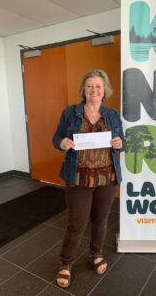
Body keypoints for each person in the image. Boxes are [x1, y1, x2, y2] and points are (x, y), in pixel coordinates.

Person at [52, 69, 125, 288]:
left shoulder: (112, 115)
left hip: (107, 177)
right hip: (79, 176)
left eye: (98, 86)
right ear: (84, 90)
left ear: (105, 91)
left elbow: (123, 141)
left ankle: (96, 254)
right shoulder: (70, 112)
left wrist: (121, 144)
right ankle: (65, 263)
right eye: (90, 86)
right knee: (76, 224)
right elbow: (57, 137)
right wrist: (61, 143)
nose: (94, 90)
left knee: (100, 220)